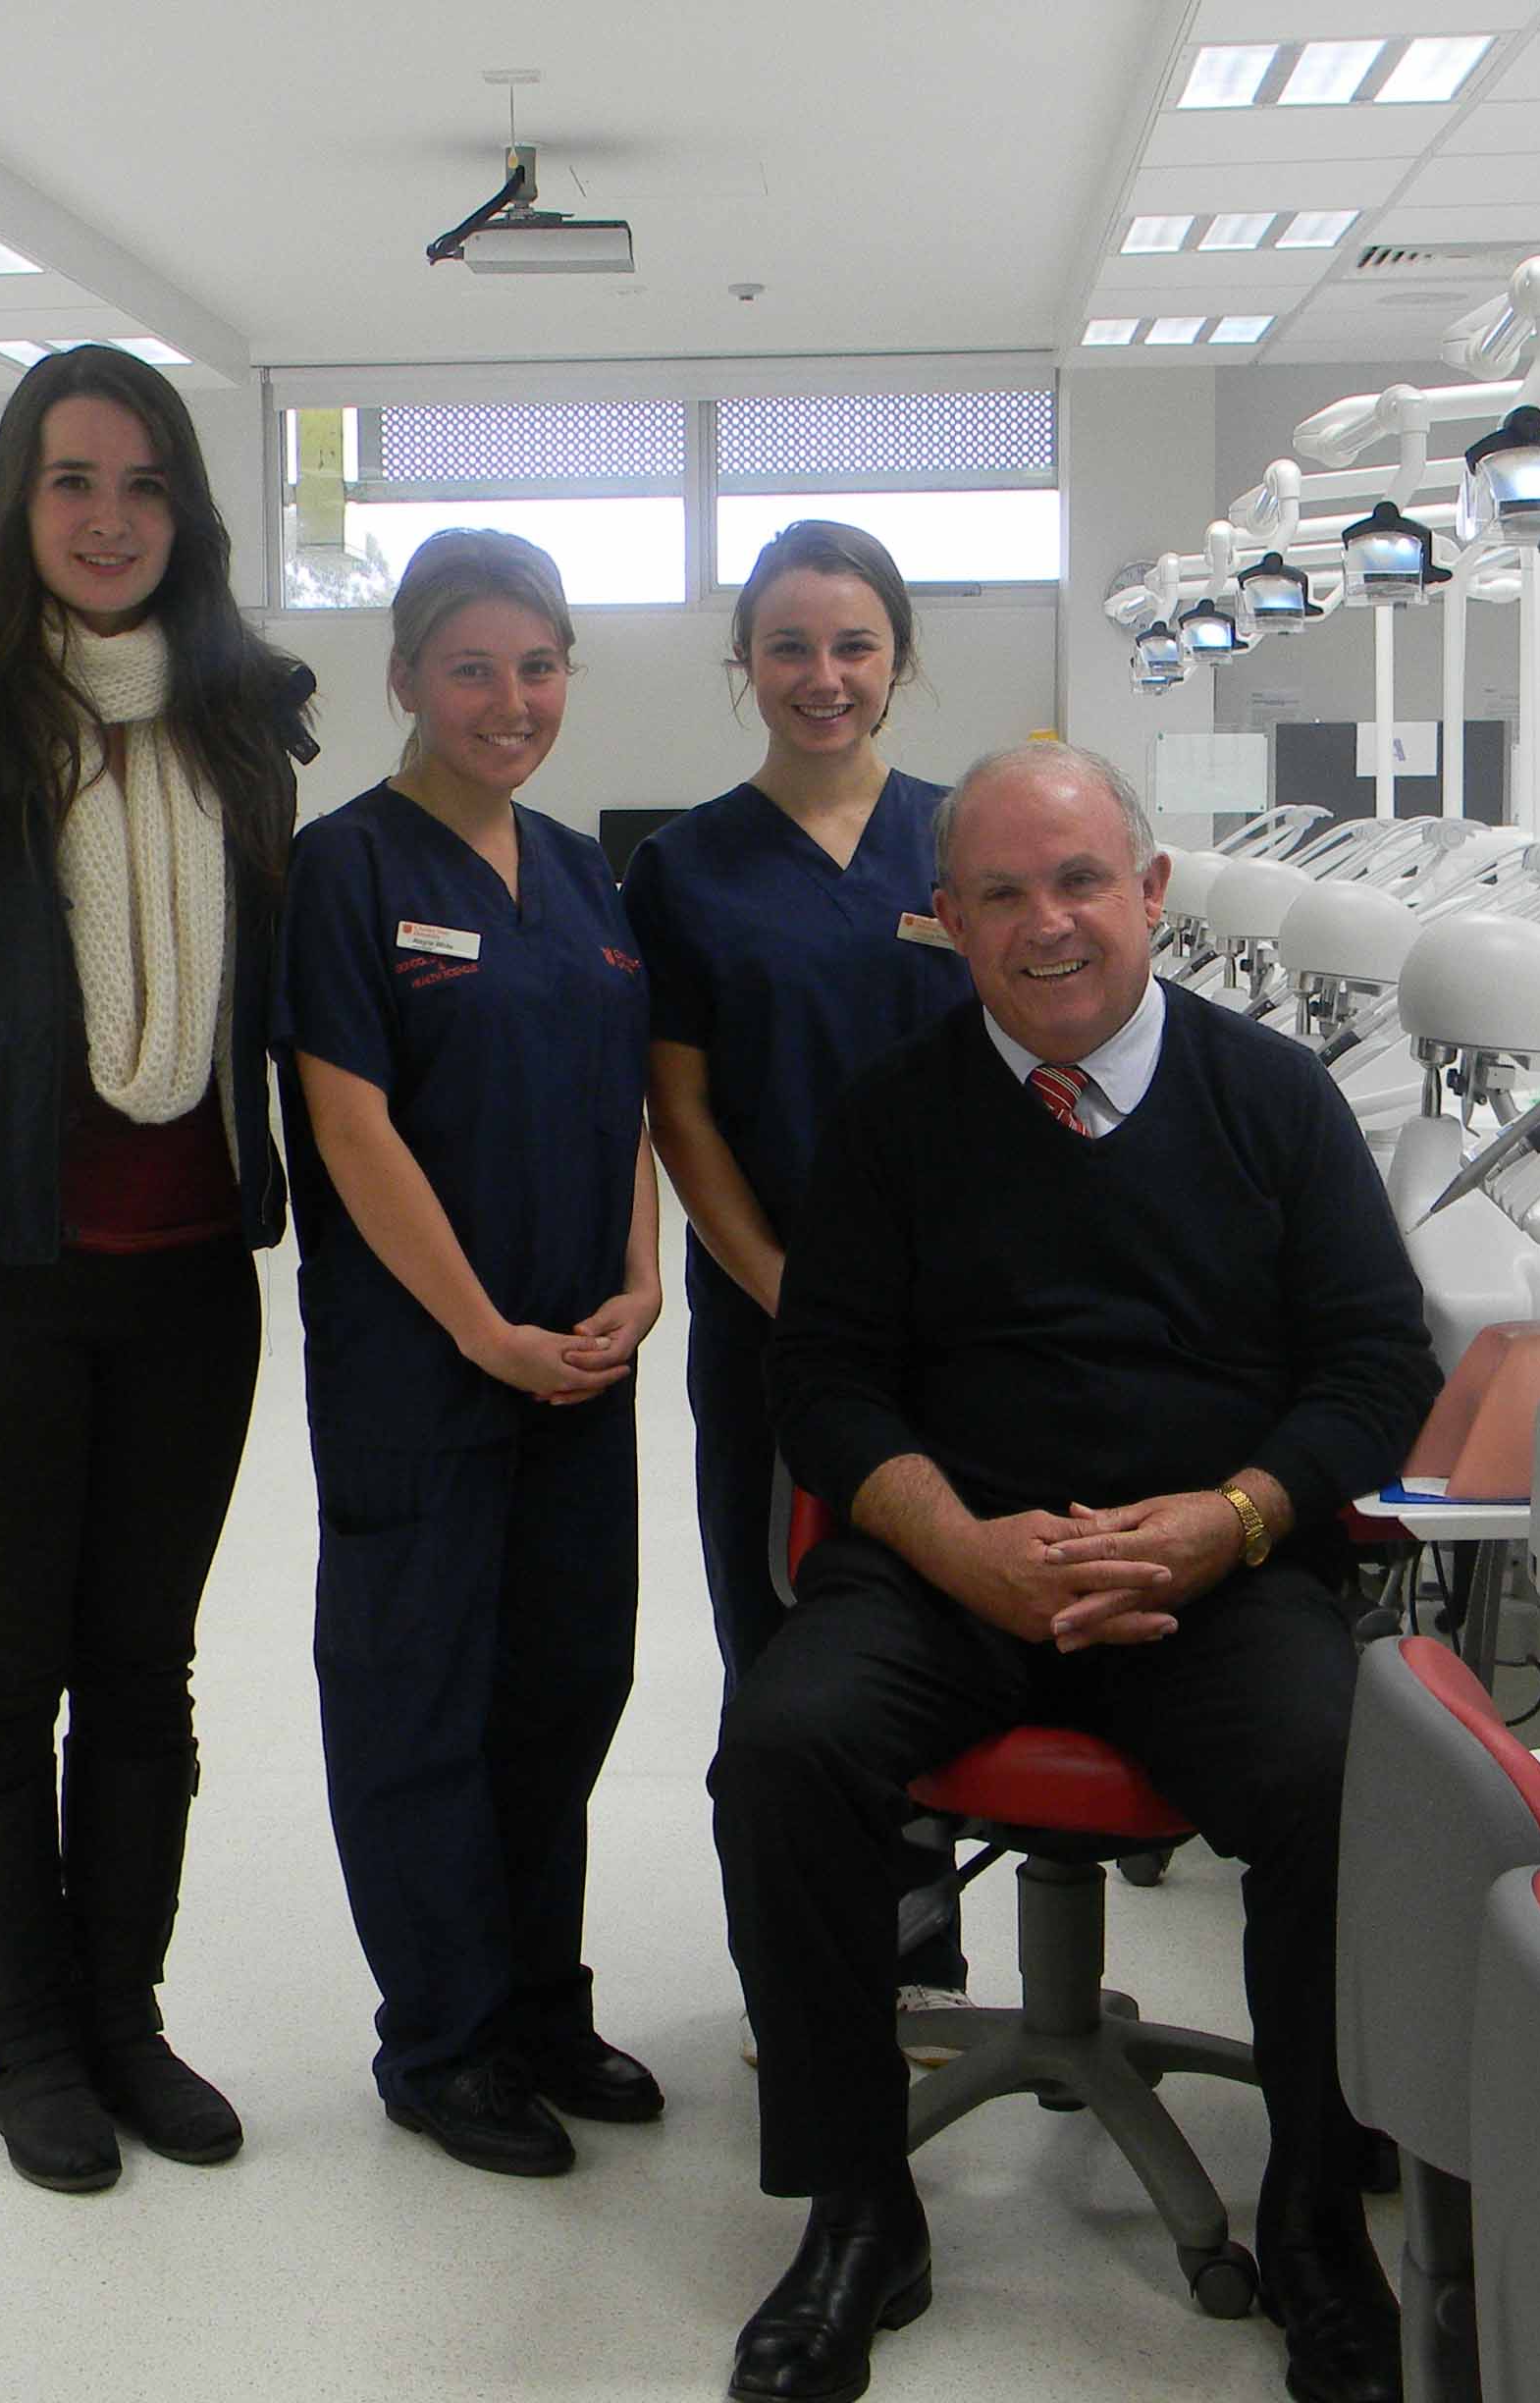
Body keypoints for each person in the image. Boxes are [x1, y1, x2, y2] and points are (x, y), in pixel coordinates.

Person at [712, 743, 1440, 2403]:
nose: (1049, 926)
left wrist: (1235, 1518)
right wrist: (962, 1549)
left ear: (1153, 893)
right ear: (948, 922)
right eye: (1002, 896)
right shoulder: (893, 1120)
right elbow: (821, 1381)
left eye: (1081, 882)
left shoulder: (1274, 1102)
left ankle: (1318, 2215)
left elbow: (1372, 1367)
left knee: (1341, 1780)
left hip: (1210, 1572)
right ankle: (855, 2208)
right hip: (956, 1572)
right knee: (783, 1749)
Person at [0, 344, 312, 2195]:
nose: (109, 520)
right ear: (18, 503)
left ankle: (124, 2017)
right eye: (73, 481)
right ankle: (27, 2040)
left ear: (187, 513)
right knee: (4, 1672)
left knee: (147, 1673)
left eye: (145, 485)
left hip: (190, 1280)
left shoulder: (244, 721)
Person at [274, 528, 665, 2180]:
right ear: (407, 681)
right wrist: (481, 1333)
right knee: (420, 1698)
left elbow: (630, 1104)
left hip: (583, 1362)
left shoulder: (582, 877)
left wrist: (647, 1285)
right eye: (473, 669)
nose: (511, 702)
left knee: (564, 1686)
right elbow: (349, 1128)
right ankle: (439, 2041)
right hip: (426, 1368)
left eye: (538, 666)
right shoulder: (346, 869)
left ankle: (538, 2004)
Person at [620, 521, 978, 2046]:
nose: (821, 678)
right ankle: (801, 1989)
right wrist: (786, 1294)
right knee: (781, 1655)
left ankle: (914, 1965)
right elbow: (681, 1114)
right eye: (788, 647)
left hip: (964, 1338)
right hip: (771, 1334)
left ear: (898, 659)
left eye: (852, 646)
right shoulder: (684, 868)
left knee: (939, 1634)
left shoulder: (965, 844)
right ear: (745, 666)